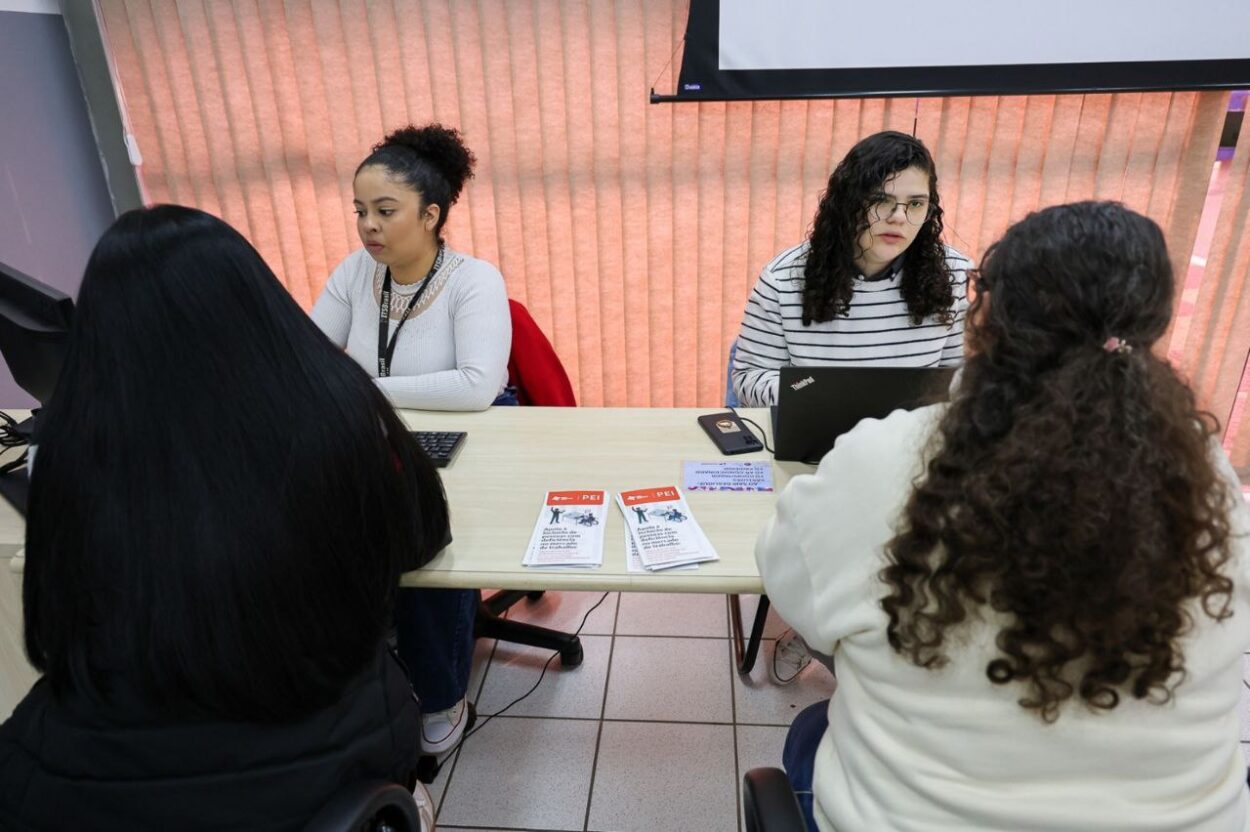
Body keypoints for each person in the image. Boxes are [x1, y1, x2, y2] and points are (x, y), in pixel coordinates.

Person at [756, 201, 1250, 831]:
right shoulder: (1207, 476)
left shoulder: (885, 459)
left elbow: (792, 587)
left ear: (988, 313)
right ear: (1153, 324)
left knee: (812, 730)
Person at [0, 205, 450, 830]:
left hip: (96, 778)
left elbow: (57, 627)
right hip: (322, 751)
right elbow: (420, 534)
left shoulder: (68, 452)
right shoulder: (333, 411)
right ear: (257, 302)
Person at [732, 130, 972, 684]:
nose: (899, 218)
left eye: (915, 204)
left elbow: (963, 378)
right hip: (818, 457)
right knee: (848, 548)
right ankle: (828, 640)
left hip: (915, 458)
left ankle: (854, 647)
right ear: (848, 201)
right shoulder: (786, 277)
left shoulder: (954, 276)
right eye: (881, 200)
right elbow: (748, 380)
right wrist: (810, 392)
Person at [311, 123, 510, 755]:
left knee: (426, 549)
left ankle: (443, 694)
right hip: (380, 437)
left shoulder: (474, 280)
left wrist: (363, 388)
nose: (368, 226)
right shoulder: (355, 272)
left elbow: (477, 386)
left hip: (466, 441)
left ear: (430, 214)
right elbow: (312, 359)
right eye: (359, 211)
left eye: (385, 210)